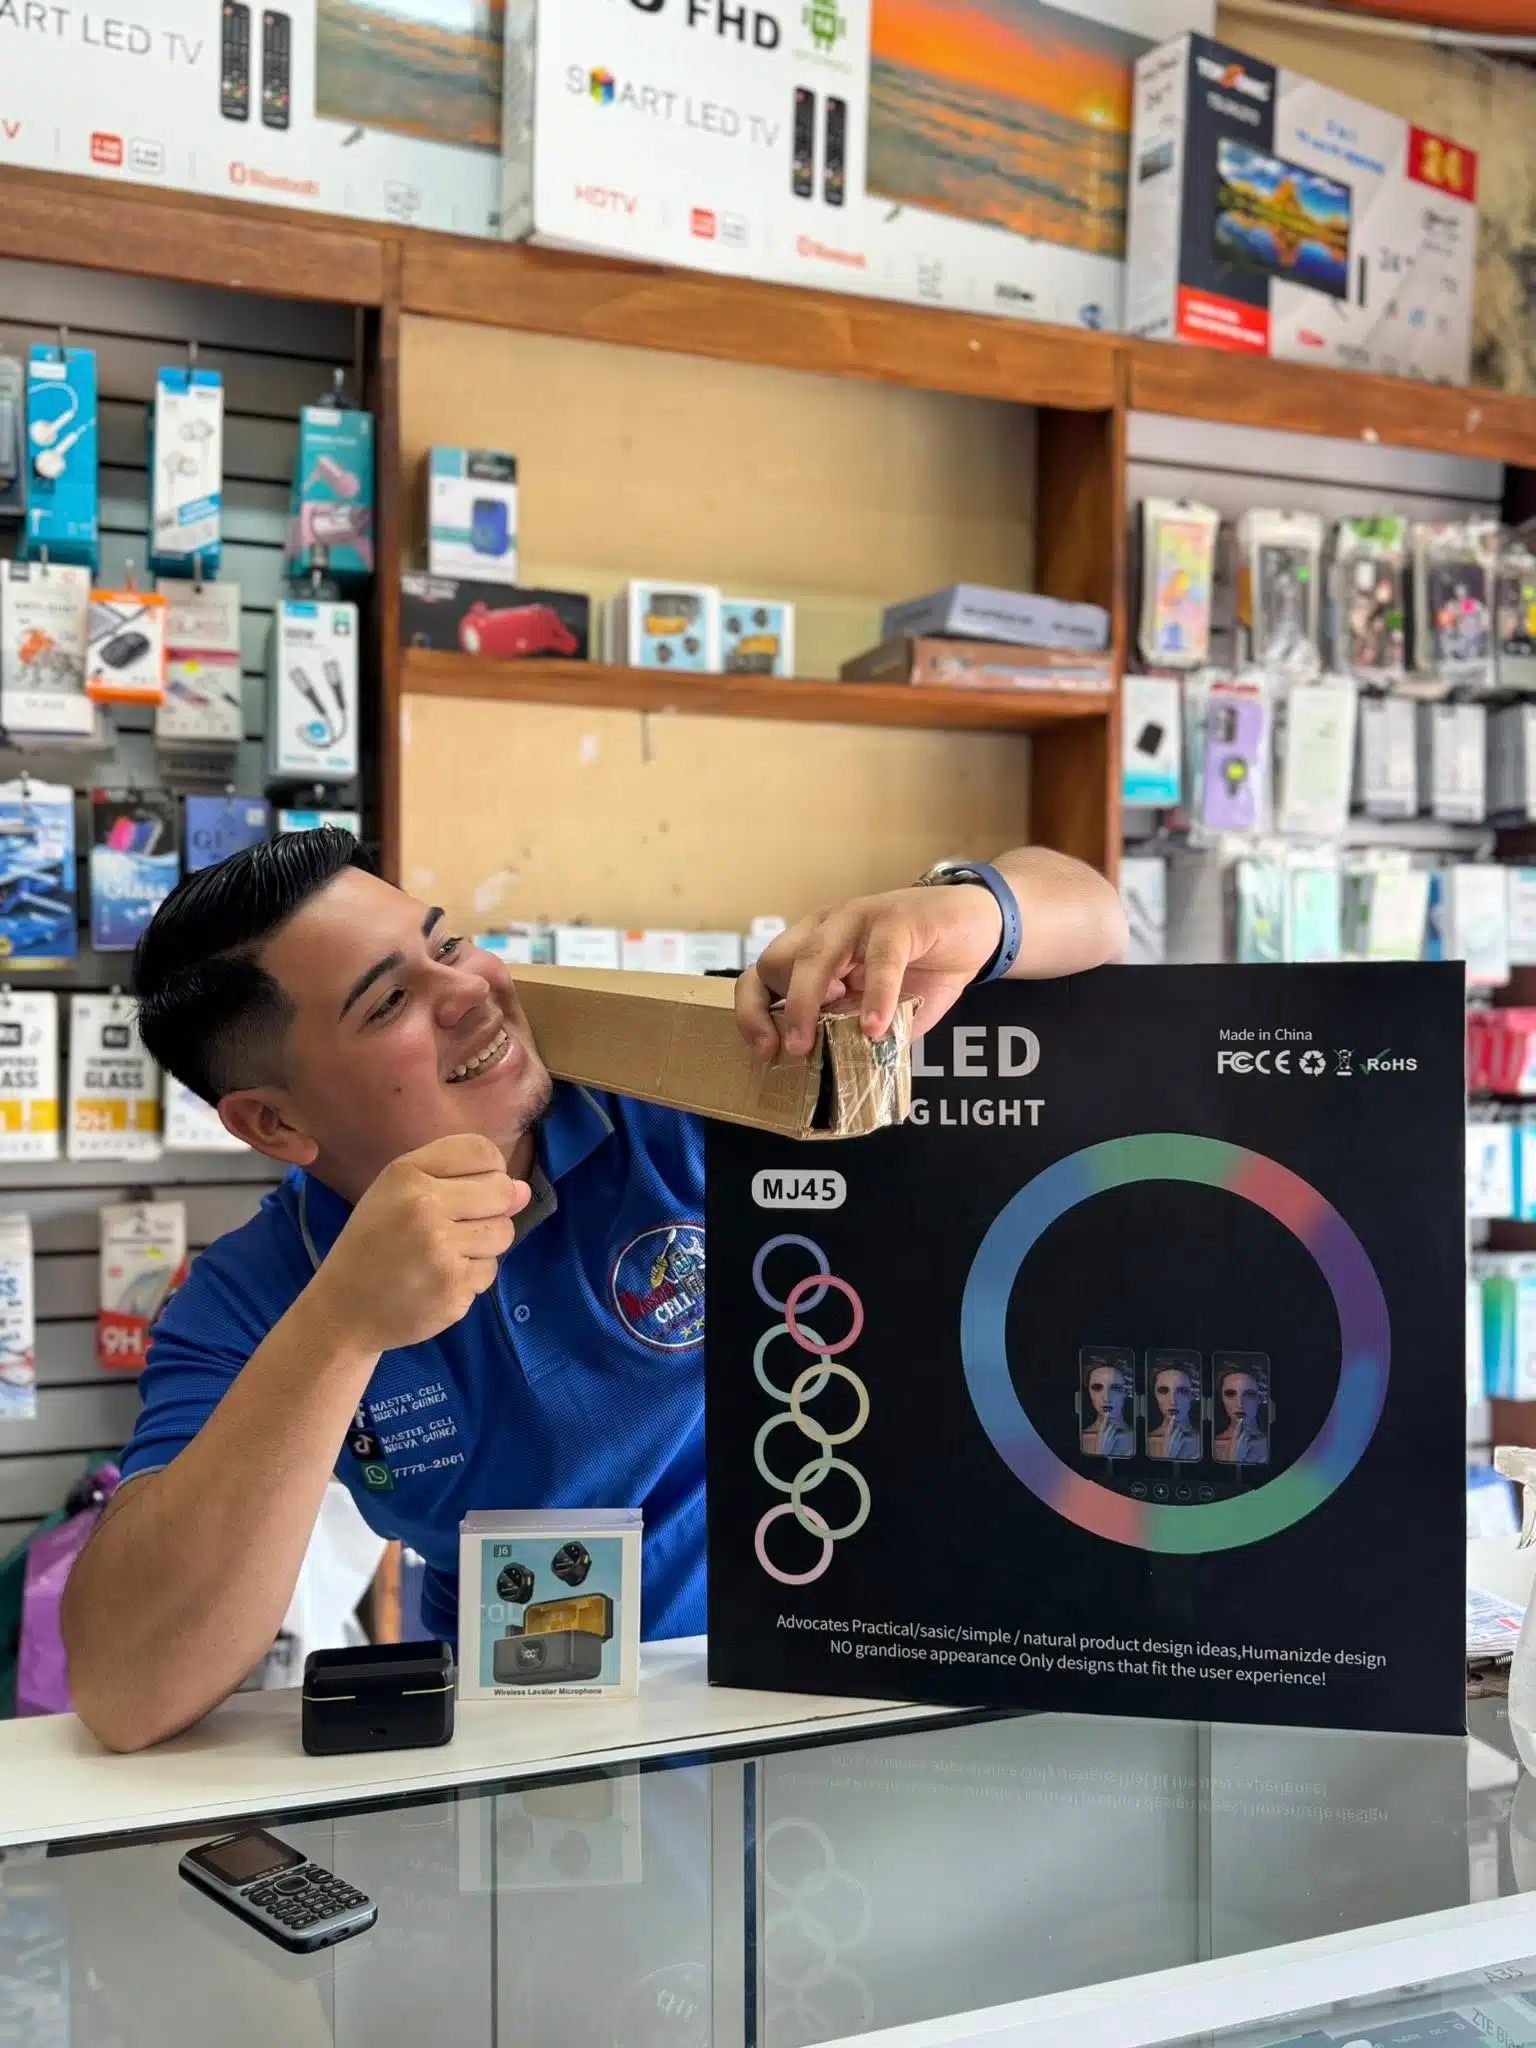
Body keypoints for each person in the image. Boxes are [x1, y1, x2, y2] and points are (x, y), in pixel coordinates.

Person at [61, 830, 1128, 1750]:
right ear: (276, 1123)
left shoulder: (686, 1082)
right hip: (527, 1752)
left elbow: (1094, 919)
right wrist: (339, 1328)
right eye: (390, 1001)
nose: (469, 990)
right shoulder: (258, 1292)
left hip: (831, 1682)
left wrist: (967, 910)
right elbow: (124, 1691)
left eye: (446, 944)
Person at [1212, 1365, 1269, 1466]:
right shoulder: (1209, 1446)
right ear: (1222, 1398)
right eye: (1230, 1394)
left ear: (1259, 1398)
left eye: (1249, 1394)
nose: (1240, 1404)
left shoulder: (1274, 1444)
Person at [1145, 1363, 1200, 1463]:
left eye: (1182, 1391)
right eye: (1163, 1390)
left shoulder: (1206, 1443)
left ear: (1192, 1395)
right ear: (1155, 1395)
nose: (1173, 1401)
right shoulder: (1144, 1442)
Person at [1079, 1359, 1133, 1460]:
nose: (1106, 1397)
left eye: (1115, 1388)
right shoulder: (1077, 1439)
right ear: (1089, 1392)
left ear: (1125, 1392)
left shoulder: (1141, 1439)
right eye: (1097, 1387)